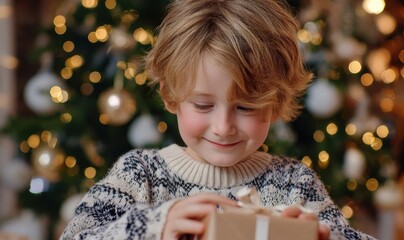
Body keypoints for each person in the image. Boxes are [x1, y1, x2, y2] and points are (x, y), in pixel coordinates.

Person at [61, 0, 377, 239]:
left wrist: (323, 237)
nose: (223, 127)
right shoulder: (139, 175)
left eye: (246, 108)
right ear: (171, 97)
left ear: (274, 104)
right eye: (202, 105)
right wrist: (153, 227)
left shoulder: (293, 184)